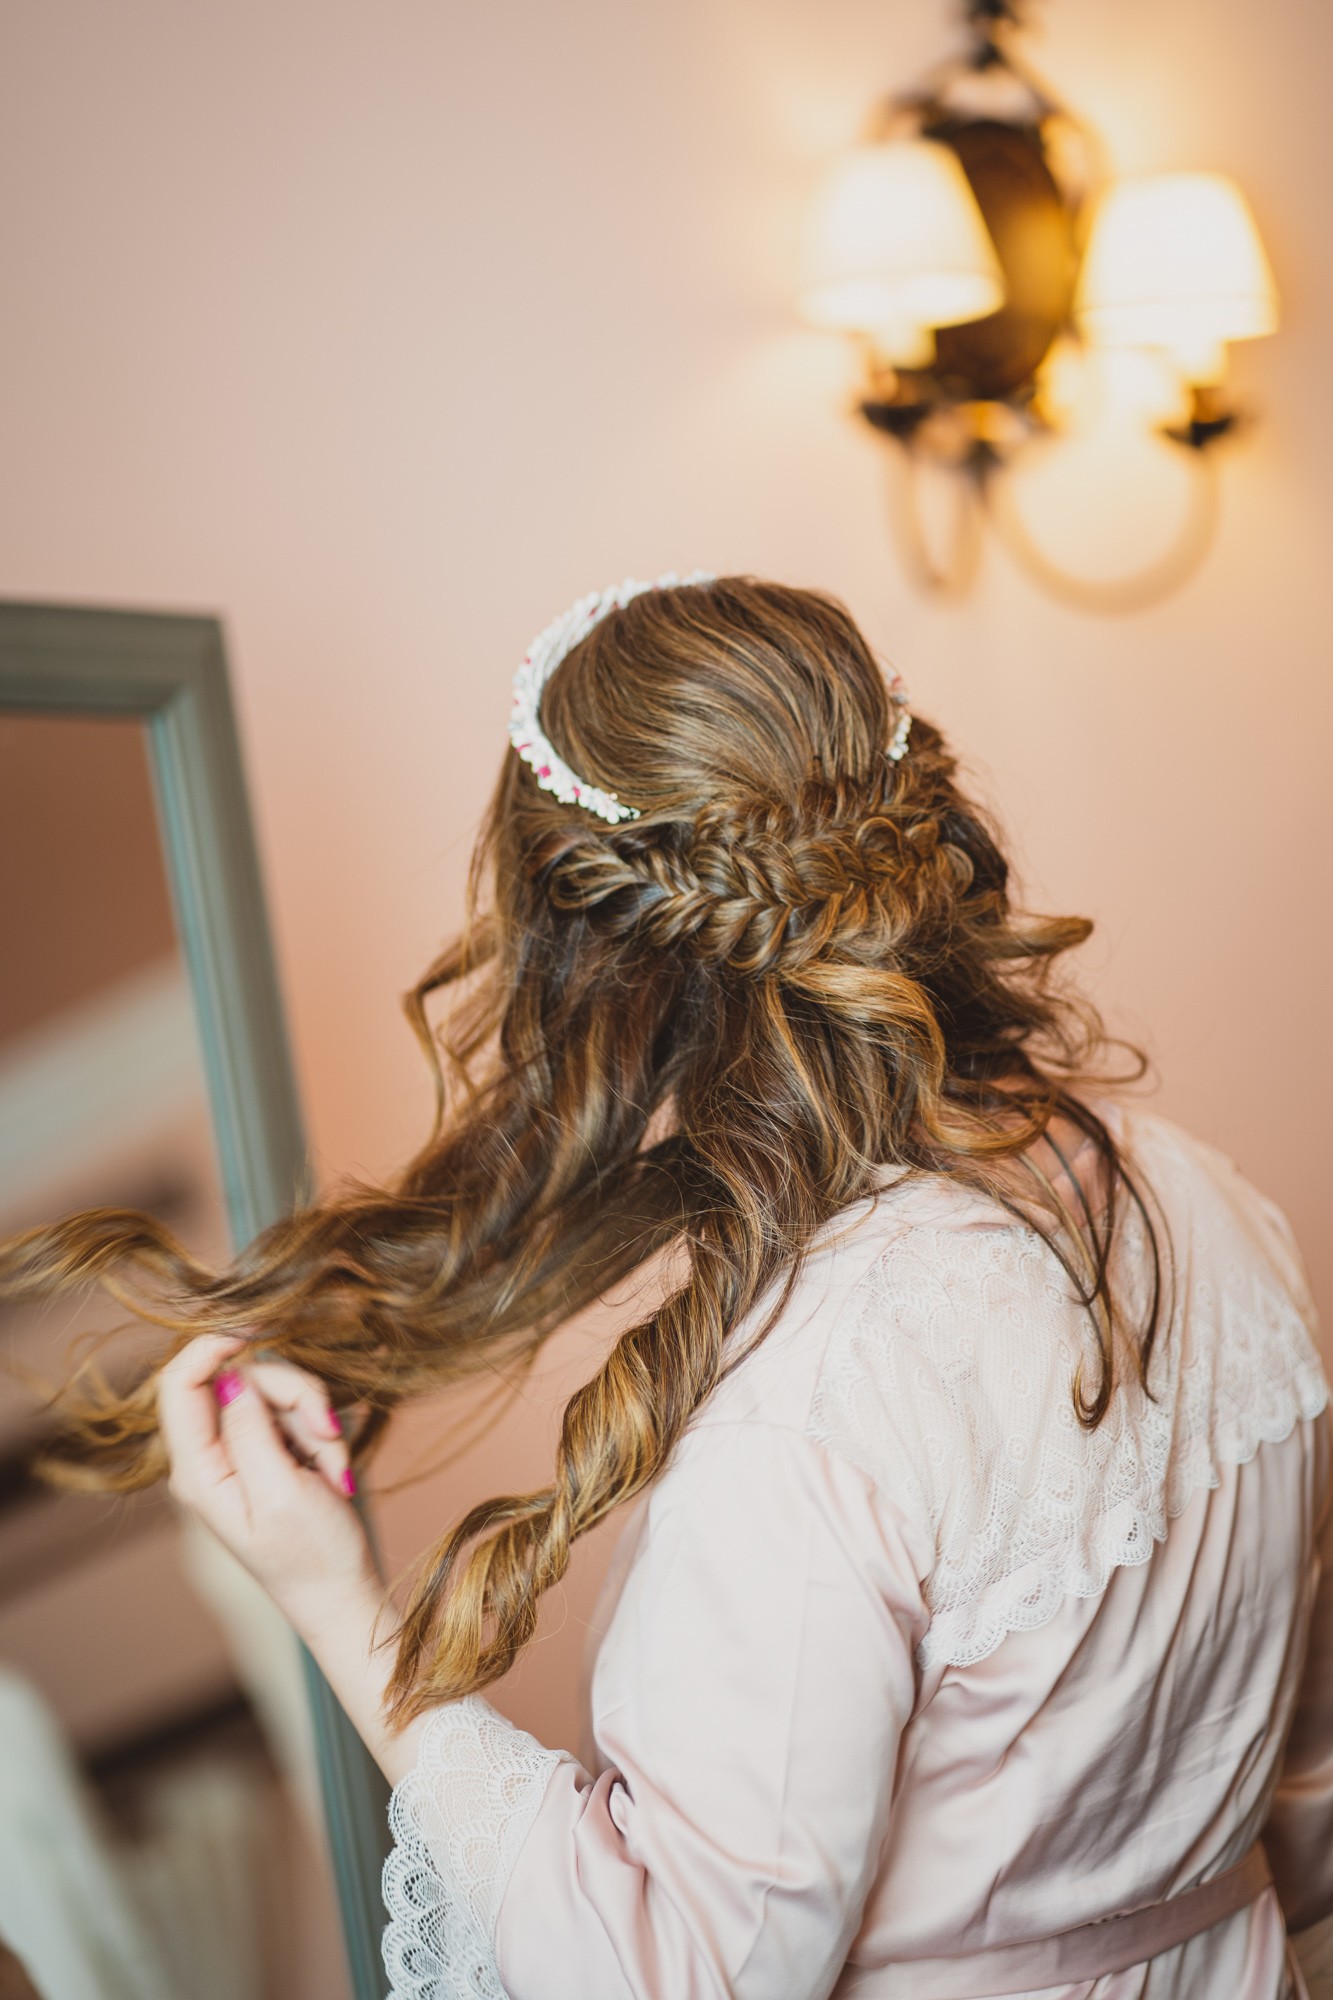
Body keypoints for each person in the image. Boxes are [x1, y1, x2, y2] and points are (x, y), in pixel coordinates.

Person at [4, 573, 1330, 2000]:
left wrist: (331, 1602)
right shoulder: (1204, 1194)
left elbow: (675, 1982)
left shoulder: (810, 1411)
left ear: (592, 980)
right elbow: (1302, 1798)